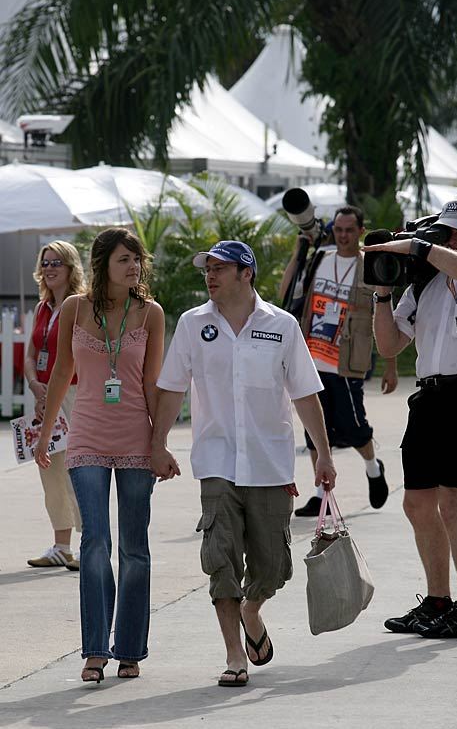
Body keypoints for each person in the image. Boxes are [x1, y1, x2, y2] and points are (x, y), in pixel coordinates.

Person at [151, 240, 336, 687]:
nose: (210, 276)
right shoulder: (194, 325)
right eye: (207, 269)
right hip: (215, 461)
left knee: (274, 567)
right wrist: (157, 443)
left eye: (220, 268)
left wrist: (324, 454)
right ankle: (235, 654)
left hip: (269, 463)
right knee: (220, 560)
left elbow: (304, 393)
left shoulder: (282, 325)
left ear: (246, 273)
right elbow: (173, 387)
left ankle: (253, 611)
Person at [365, 196, 457, 638]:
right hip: (429, 399)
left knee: (455, 506)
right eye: (444, 230)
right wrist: (381, 292)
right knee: (416, 503)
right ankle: (437, 601)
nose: (450, 237)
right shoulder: (423, 287)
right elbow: (390, 345)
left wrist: (418, 247)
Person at [34, 228, 166, 683]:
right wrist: (46, 433)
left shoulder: (151, 314)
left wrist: (159, 442)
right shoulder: (74, 308)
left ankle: (129, 648)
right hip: (86, 436)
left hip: (135, 437)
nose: (133, 267)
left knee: (134, 548)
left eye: (137, 260)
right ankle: (95, 649)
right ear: (102, 264)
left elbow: (153, 384)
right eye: (124, 260)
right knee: (94, 543)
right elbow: (60, 376)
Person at [280, 205, 397, 517]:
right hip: (311, 357)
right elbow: (286, 291)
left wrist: (390, 364)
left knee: (353, 426)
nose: (343, 235)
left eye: (349, 230)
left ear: (360, 230)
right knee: (314, 430)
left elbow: (387, 316)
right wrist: (299, 252)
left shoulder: (370, 266)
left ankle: (373, 467)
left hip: (347, 361)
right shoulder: (319, 259)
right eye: (338, 229)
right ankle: (322, 494)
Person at [25, 241, 85, 570]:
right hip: (44, 395)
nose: (49, 269)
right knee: (49, 468)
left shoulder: (81, 306)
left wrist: (55, 390)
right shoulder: (41, 308)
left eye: (56, 263)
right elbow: (32, 356)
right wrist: (36, 386)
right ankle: (62, 546)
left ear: (71, 268)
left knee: (78, 469)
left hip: (74, 394)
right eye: (45, 263)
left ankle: (90, 540)